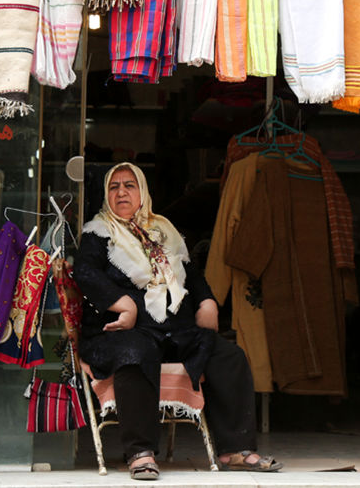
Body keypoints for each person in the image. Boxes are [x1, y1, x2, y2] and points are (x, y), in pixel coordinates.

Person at [73, 162, 282, 480]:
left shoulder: (163, 230)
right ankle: (140, 452)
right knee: (136, 353)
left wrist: (207, 301)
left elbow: (191, 274)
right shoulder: (98, 232)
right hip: (119, 332)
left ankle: (235, 449)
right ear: (106, 194)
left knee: (229, 356)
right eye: (114, 187)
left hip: (172, 330)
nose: (121, 192)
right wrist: (122, 304)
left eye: (129, 185)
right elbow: (85, 273)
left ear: (143, 192)